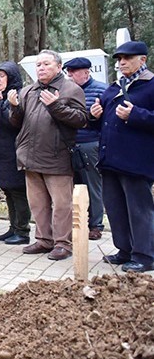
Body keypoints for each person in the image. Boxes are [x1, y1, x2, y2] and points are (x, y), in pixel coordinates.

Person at [8, 49, 87, 260]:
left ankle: (63, 243)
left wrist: (55, 105)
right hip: (30, 156)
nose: (41, 68)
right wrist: (14, 108)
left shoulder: (71, 89)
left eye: (46, 64)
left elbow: (80, 119)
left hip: (57, 155)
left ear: (59, 67)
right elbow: (16, 123)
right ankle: (44, 239)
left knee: (62, 204)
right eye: (38, 65)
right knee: (38, 203)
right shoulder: (28, 91)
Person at [90, 40, 154, 273]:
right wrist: (94, 116)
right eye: (119, 59)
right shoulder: (113, 88)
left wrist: (135, 114)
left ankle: (145, 256)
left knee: (139, 210)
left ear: (142, 60)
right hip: (110, 161)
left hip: (137, 161)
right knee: (115, 209)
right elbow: (102, 124)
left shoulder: (151, 86)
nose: (122, 62)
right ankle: (124, 250)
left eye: (127, 58)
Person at [64, 57, 108, 240]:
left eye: (74, 72)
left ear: (86, 72)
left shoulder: (101, 90)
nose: (70, 75)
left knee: (93, 186)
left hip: (90, 144)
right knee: (73, 187)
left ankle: (96, 225)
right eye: (69, 72)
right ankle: (78, 222)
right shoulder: (66, 91)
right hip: (69, 144)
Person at [0, 62, 31, 245]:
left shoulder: (18, 95)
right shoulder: (2, 96)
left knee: (18, 191)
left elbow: (11, 122)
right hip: (2, 153)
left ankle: (23, 231)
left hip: (15, 152)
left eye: (2, 76)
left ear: (12, 77)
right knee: (8, 191)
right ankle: (13, 228)